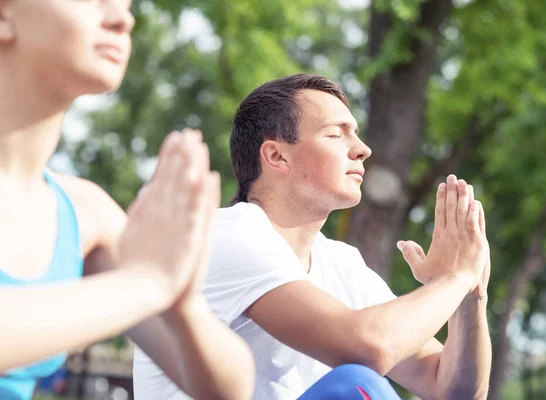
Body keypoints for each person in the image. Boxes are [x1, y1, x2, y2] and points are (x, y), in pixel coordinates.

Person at [133, 73, 492, 399]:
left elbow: (452, 390)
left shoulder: (342, 263)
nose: (362, 148)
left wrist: (469, 296)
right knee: (356, 388)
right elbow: (369, 347)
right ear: (276, 156)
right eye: (336, 134)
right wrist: (453, 279)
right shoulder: (228, 234)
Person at [0, 1, 254, 399]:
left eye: (127, 3)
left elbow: (227, 391)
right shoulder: (138, 275)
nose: (123, 18)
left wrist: (183, 302)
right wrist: (145, 283)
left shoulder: (86, 212)